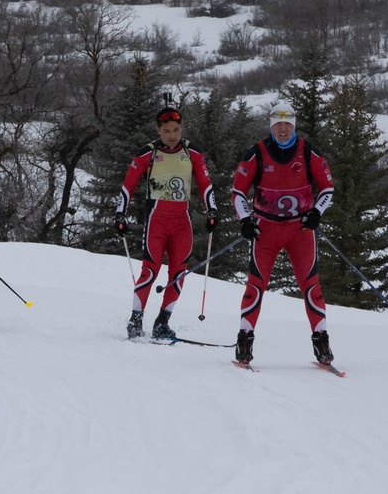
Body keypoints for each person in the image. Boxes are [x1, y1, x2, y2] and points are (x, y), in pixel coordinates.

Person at [230, 101, 335, 365]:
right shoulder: (257, 152)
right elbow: (238, 191)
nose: (283, 129)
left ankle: (321, 340)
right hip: (264, 230)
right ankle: (245, 338)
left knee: (311, 285)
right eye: (278, 124)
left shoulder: (308, 151)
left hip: (300, 229)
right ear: (271, 125)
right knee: (255, 284)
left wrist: (316, 213)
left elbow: (327, 189)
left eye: (288, 124)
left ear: (294, 125)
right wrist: (245, 219)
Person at [115, 105, 218, 340]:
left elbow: (205, 184)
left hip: (182, 223)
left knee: (178, 274)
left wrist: (212, 211)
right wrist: (120, 214)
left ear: (182, 128)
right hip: (156, 222)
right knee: (149, 272)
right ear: (158, 130)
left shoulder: (193, 153)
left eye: (176, 129)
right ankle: (136, 320)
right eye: (167, 130)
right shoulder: (147, 154)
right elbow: (127, 186)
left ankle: (163, 321)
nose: (172, 135)